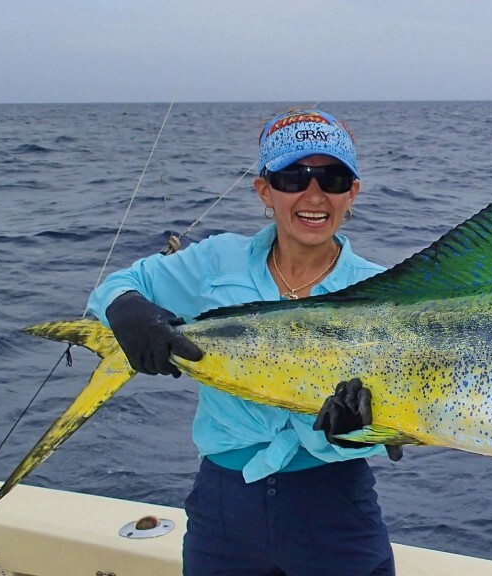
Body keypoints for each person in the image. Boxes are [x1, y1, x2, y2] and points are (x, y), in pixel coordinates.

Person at [88, 108, 398, 575]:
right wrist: (127, 308)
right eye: (293, 178)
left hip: (334, 505)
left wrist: (360, 436)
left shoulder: (385, 291)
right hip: (224, 507)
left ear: (351, 193)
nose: (314, 195)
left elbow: (397, 416)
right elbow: (116, 286)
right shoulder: (217, 261)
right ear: (264, 191)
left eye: (332, 179)